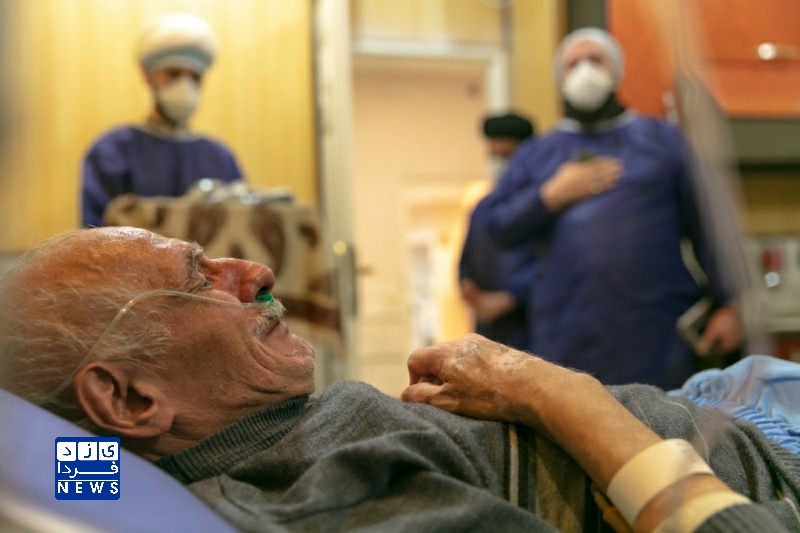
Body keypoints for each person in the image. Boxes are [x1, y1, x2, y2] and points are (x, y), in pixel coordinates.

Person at [0, 227, 797, 533]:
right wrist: (545, 388)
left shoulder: (231, 454)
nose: (256, 271)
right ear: (132, 398)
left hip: (726, 398)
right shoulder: (325, 499)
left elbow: (70, 461)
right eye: (199, 277)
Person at [482, 28, 742, 389]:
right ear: (560, 78)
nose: (584, 70)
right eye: (573, 63)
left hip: (657, 337)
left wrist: (730, 304)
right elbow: (497, 226)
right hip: (566, 340)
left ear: (617, 71)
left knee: (661, 424)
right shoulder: (536, 154)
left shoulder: (665, 142)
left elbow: (710, 228)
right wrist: (550, 196)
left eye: (595, 59)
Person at [80, 12, 243, 228]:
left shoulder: (220, 158)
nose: (185, 86)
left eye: (195, 77)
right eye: (173, 74)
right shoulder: (113, 152)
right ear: (147, 75)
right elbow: (93, 238)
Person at [459, 113, 536, 349]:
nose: (498, 161)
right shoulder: (483, 209)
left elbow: (554, 263)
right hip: (490, 331)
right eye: (493, 153)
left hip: (531, 327)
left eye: (505, 154)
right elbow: (466, 264)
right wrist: (473, 293)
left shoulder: (543, 206)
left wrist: (510, 299)